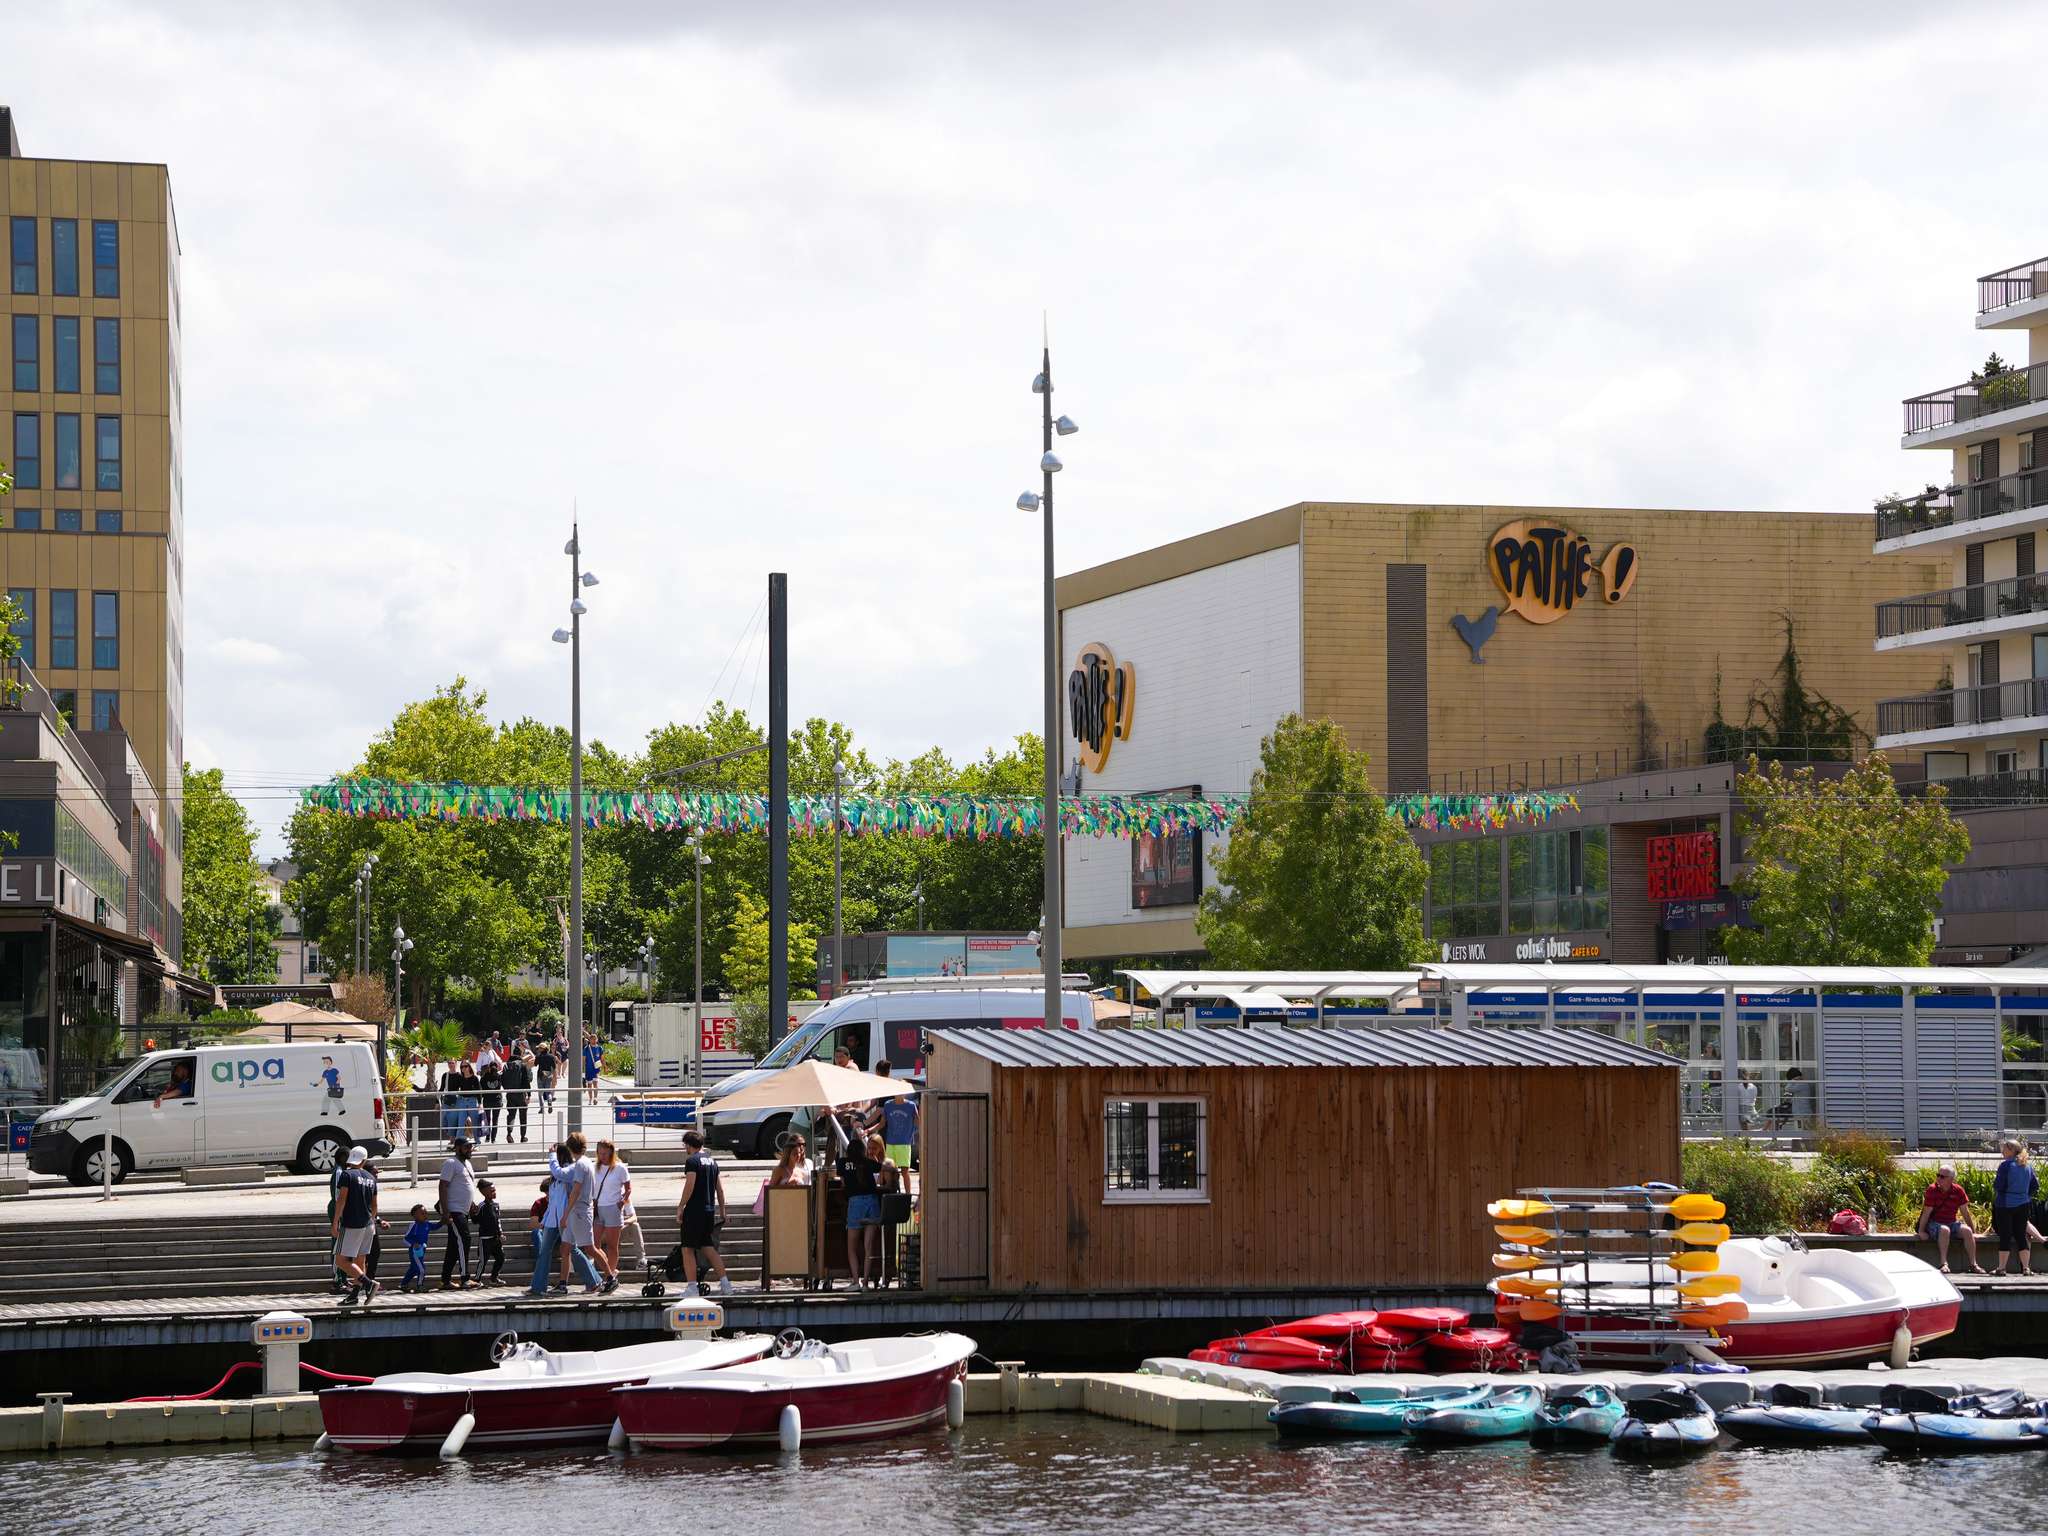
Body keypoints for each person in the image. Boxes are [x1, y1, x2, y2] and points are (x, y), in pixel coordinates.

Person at [554, 1132, 615, 1294]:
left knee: (589, 1247)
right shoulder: (587, 1161)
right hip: (579, 1210)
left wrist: (565, 1214)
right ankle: (562, 1284)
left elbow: (576, 1190)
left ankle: (610, 1277)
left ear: (569, 1147)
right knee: (565, 1247)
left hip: (579, 1211)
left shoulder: (580, 1165)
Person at [676, 1128, 732, 1298]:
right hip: (709, 1211)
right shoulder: (712, 1162)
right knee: (708, 1248)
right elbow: (720, 1190)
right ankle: (725, 1284)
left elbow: (690, 1185)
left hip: (694, 1211)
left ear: (688, 1145)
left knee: (687, 1249)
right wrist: (722, 1211)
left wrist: (681, 1206)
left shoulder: (692, 1161)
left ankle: (692, 1287)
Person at [332, 1146, 381, 1306]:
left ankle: (368, 1283)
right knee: (360, 1261)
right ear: (364, 1160)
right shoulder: (371, 1178)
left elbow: (341, 1200)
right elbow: (374, 1206)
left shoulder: (346, 1175)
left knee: (341, 1261)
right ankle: (354, 1295)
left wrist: (335, 1222)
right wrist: (372, 1221)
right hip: (368, 1224)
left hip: (352, 1224)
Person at [1919, 1164, 1986, 1275]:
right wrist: (1921, 1231)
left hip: (1951, 1222)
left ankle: (1974, 1264)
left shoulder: (1958, 1190)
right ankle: (1944, 1264)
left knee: (1967, 1231)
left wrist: (1973, 1231)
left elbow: (1965, 1212)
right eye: (1938, 1175)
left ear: (1951, 1179)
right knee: (1945, 1230)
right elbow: (1926, 1212)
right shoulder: (1932, 1190)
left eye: (1942, 1176)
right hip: (1934, 1223)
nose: (1938, 1178)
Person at [837, 1129, 883, 1288]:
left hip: (855, 1203)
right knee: (868, 1246)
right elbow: (885, 1168)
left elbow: (842, 1183)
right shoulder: (867, 1163)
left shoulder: (842, 1163)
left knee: (852, 1246)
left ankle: (856, 1281)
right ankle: (865, 1283)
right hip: (872, 1201)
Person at [437, 1135, 480, 1289]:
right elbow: (443, 1186)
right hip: (454, 1211)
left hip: (464, 1210)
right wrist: (445, 1212)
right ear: (457, 1148)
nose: (470, 1150)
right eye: (467, 1147)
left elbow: (464, 1185)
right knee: (464, 1240)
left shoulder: (467, 1163)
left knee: (454, 1246)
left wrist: (472, 1203)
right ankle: (465, 1278)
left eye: (471, 1147)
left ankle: (445, 1280)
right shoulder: (451, 1163)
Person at [1994, 1140, 2039, 1276]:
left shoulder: (2005, 1165)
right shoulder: (2027, 1166)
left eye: (2004, 1149)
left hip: (2005, 1204)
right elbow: (2035, 1186)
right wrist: (2024, 1195)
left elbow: (1998, 1185)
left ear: (2011, 1150)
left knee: (2005, 1235)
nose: (2002, 1151)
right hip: (2023, 1204)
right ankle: (2026, 1268)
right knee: (2021, 1235)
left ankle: (2001, 1268)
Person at [593, 1140, 630, 1281]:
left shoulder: (620, 1168)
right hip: (598, 1207)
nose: (602, 1156)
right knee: (594, 1244)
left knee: (612, 1245)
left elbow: (628, 1188)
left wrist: (622, 1202)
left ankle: (611, 1272)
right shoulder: (594, 1167)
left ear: (611, 1153)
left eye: (605, 1153)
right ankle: (609, 1272)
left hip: (613, 1207)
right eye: (600, 1153)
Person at [473, 1178, 506, 1284]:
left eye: (495, 1190)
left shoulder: (496, 1206)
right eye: (492, 1191)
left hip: (496, 1239)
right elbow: (475, 1220)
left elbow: (498, 1221)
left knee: (501, 1258)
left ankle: (494, 1278)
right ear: (484, 1192)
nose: (494, 1193)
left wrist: (500, 1233)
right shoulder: (481, 1206)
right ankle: (477, 1279)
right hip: (485, 1240)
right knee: (483, 1260)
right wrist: (472, 1212)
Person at [400, 1204, 435, 1292]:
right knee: (421, 1269)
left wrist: (443, 1222)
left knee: (413, 1269)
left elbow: (435, 1226)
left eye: (425, 1213)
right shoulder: (414, 1225)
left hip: (422, 1251)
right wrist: (413, 1244)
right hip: (414, 1251)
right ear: (415, 1215)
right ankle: (420, 1285)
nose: (425, 1215)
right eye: (422, 1213)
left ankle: (403, 1284)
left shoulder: (427, 1224)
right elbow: (405, 1238)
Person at [501, 1049, 532, 1142]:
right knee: (523, 1116)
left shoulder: (507, 1066)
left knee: (511, 1115)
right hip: (521, 1094)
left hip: (510, 1094)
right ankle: (523, 1137)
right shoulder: (522, 1065)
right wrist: (529, 1095)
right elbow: (526, 1080)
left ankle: (509, 1134)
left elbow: (502, 1080)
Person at [479, 1055, 503, 1144]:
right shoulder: (499, 1076)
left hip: (487, 1101)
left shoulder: (484, 1077)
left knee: (488, 1120)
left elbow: (481, 1089)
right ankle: (493, 1138)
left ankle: (488, 1137)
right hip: (497, 1100)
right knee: (495, 1120)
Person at [535, 1042, 557, 1114]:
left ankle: (542, 1108)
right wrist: (555, 1077)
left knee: (540, 1093)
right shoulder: (551, 1057)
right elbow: (554, 1067)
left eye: (539, 1048)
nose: (538, 1049)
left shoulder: (538, 1056)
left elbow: (535, 1064)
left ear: (542, 1049)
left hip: (540, 1075)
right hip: (549, 1075)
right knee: (548, 1092)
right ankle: (549, 1102)